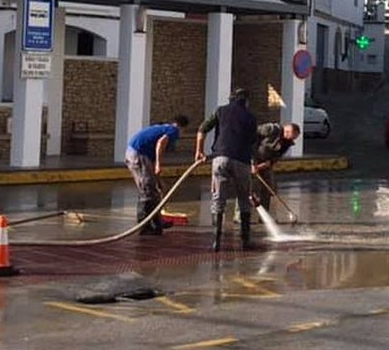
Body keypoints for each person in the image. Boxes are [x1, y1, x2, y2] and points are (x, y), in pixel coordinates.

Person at [194, 88, 258, 251]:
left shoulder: (220, 111)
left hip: (220, 159)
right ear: (245, 101)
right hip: (241, 161)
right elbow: (253, 143)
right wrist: (253, 163)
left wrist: (199, 151)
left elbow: (202, 129)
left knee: (218, 198)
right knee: (244, 198)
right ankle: (245, 240)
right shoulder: (250, 117)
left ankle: (216, 241)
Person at [125, 116, 189, 235]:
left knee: (152, 188)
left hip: (135, 153)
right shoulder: (173, 130)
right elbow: (161, 143)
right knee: (147, 190)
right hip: (138, 154)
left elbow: (153, 157)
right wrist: (159, 165)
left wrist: (158, 179)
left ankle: (157, 221)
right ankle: (144, 226)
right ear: (182, 128)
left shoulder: (162, 128)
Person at [250, 122, 301, 211]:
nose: (291, 140)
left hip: (265, 163)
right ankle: (242, 216)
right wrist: (252, 162)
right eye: (292, 136)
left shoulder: (287, 142)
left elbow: (277, 156)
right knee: (247, 187)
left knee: (268, 188)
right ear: (287, 131)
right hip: (251, 158)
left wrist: (267, 164)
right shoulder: (271, 129)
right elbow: (250, 140)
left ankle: (264, 212)